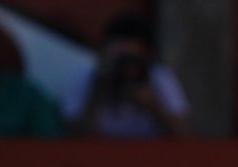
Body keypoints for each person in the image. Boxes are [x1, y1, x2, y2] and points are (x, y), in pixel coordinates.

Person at [61, 13, 189, 138]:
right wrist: (98, 91)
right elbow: (70, 135)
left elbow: (183, 134)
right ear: (103, 53)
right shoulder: (84, 76)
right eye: (121, 60)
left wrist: (153, 106)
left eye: (134, 60)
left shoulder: (159, 77)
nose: (127, 69)